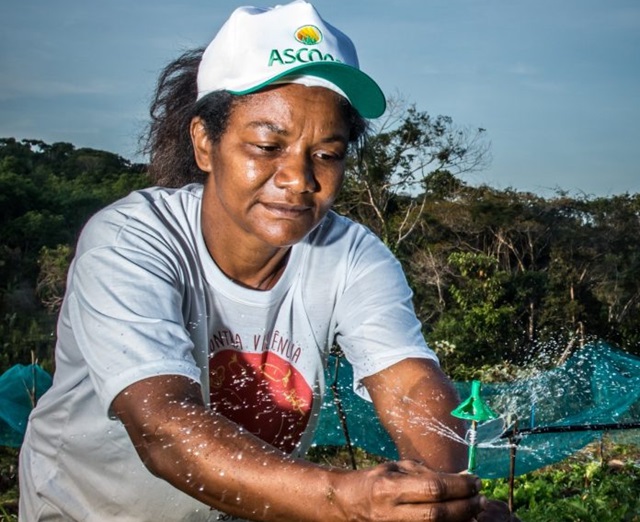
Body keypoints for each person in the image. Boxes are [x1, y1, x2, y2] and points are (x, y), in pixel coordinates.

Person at [19, 1, 517, 521]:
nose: (299, 178)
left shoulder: (353, 256)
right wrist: (345, 500)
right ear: (205, 143)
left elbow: (412, 386)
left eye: (327, 153)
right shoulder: (131, 241)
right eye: (266, 145)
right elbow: (162, 425)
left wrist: (437, 496)